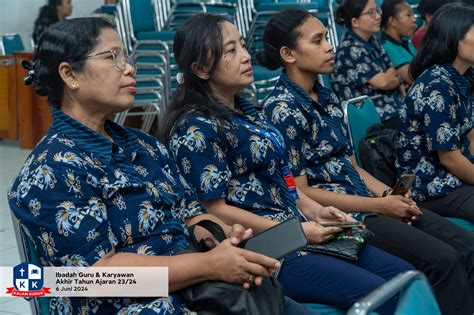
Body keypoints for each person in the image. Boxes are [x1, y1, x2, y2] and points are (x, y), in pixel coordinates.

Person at [8, 17, 301, 314]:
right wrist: (208, 265)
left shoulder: (144, 145)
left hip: (203, 293)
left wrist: (222, 238)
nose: (130, 68)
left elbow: (190, 215)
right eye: (113, 58)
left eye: (127, 57)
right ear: (70, 74)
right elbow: (99, 276)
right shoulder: (50, 171)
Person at [161, 13, 414, 314]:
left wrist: (314, 210)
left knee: (405, 278)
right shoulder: (196, 127)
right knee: (383, 295)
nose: (245, 56)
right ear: (201, 69)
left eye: (242, 45)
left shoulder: (249, 113)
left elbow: (286, 181)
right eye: (231, 51)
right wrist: (296, 230)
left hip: (300, 230)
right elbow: (214, 208)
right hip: (266, 246)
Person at [258, 8, 474, 315]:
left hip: (368, 205)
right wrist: (379, 206)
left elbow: (352, 166)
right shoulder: (282, 109)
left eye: (327, 38)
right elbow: (302, 193)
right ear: (288, 53)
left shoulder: (326, 97)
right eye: (318, 41)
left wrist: (390, 195)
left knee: (463, 248)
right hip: (342, 217)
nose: (329, 46)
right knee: (444, 260)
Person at [396, 3, 474, 223]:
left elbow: (470, 135)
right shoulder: (437, 84)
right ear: (455, 38)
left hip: (454, 176)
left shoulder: (465, 77)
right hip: (430, 184)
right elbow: (450, 159)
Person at [332, 0, 403, 129]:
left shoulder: (372, 40)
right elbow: (384, 82)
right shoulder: (349, 49)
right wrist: (394, 81)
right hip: (370, 120)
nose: (378, 16)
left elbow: (392, 70)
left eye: (377, 10)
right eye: (371, 13)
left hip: (388, 111)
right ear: (355, 22)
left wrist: (389, 79)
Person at [380, 0, 417, 86]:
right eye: (409, 15)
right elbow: (413, 79)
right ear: (392, 21)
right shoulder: (386, 46)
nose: (414, 19)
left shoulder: (406, 42)